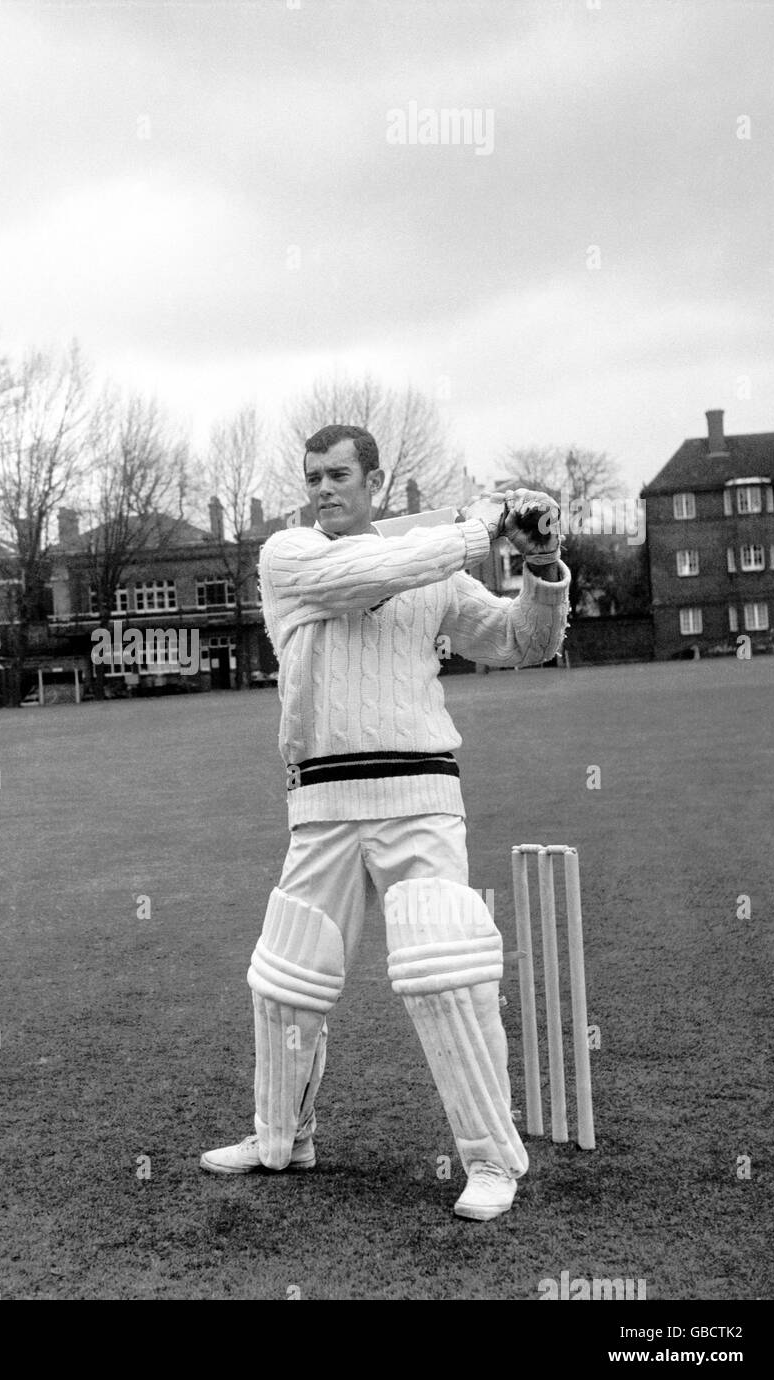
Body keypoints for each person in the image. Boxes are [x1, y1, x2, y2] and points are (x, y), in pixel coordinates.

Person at [199, 424, 569, 1220]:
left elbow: (520, 642)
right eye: (313, 477)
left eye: (339, 475)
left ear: (373, 481)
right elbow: (369, 575)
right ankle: (279, 1140)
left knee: (445, 974)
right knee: (288, 981)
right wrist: (478, 529)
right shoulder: (291, 559)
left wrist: (542, 570)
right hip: (322, 803)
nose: (323, 489)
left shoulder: (433, 564)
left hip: (419, 793)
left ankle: (492, 1160)